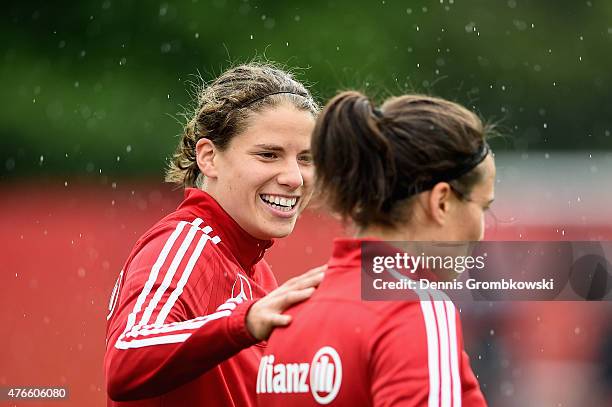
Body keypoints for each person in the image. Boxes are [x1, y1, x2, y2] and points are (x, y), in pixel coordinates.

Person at [104, 63, 325, 406]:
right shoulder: (184, 244)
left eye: (306, 158)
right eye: (269, 154)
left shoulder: (256, 272)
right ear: (209, 158)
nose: (295, 177)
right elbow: (126, 357)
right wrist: (243, 321)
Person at [256, 91, 493, 406]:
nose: (481, 230)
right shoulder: (414, 308)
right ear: (441, 202)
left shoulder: (292, 314)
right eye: (483, 207)